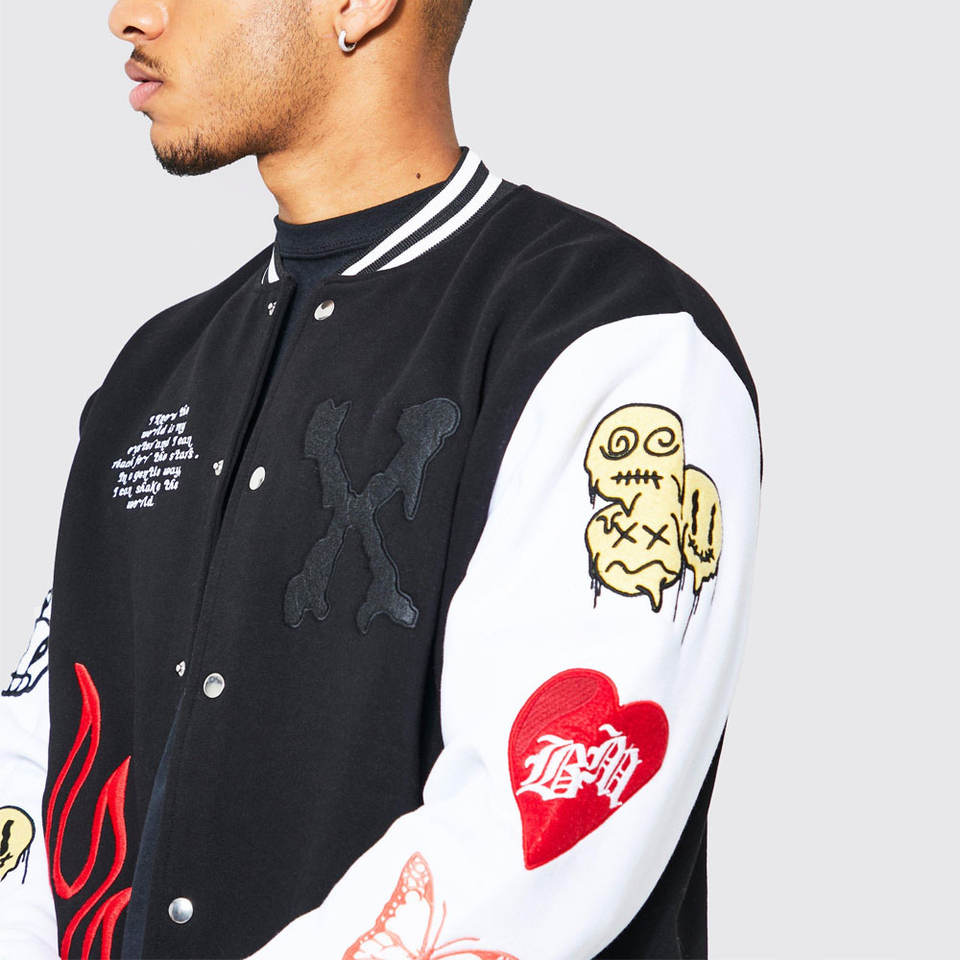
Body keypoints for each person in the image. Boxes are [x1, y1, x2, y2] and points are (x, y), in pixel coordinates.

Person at [0, 0, 762, 957]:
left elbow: (538, 826)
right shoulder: (154, 373)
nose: (129, 16)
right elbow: (37, 748)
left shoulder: (613, 339)